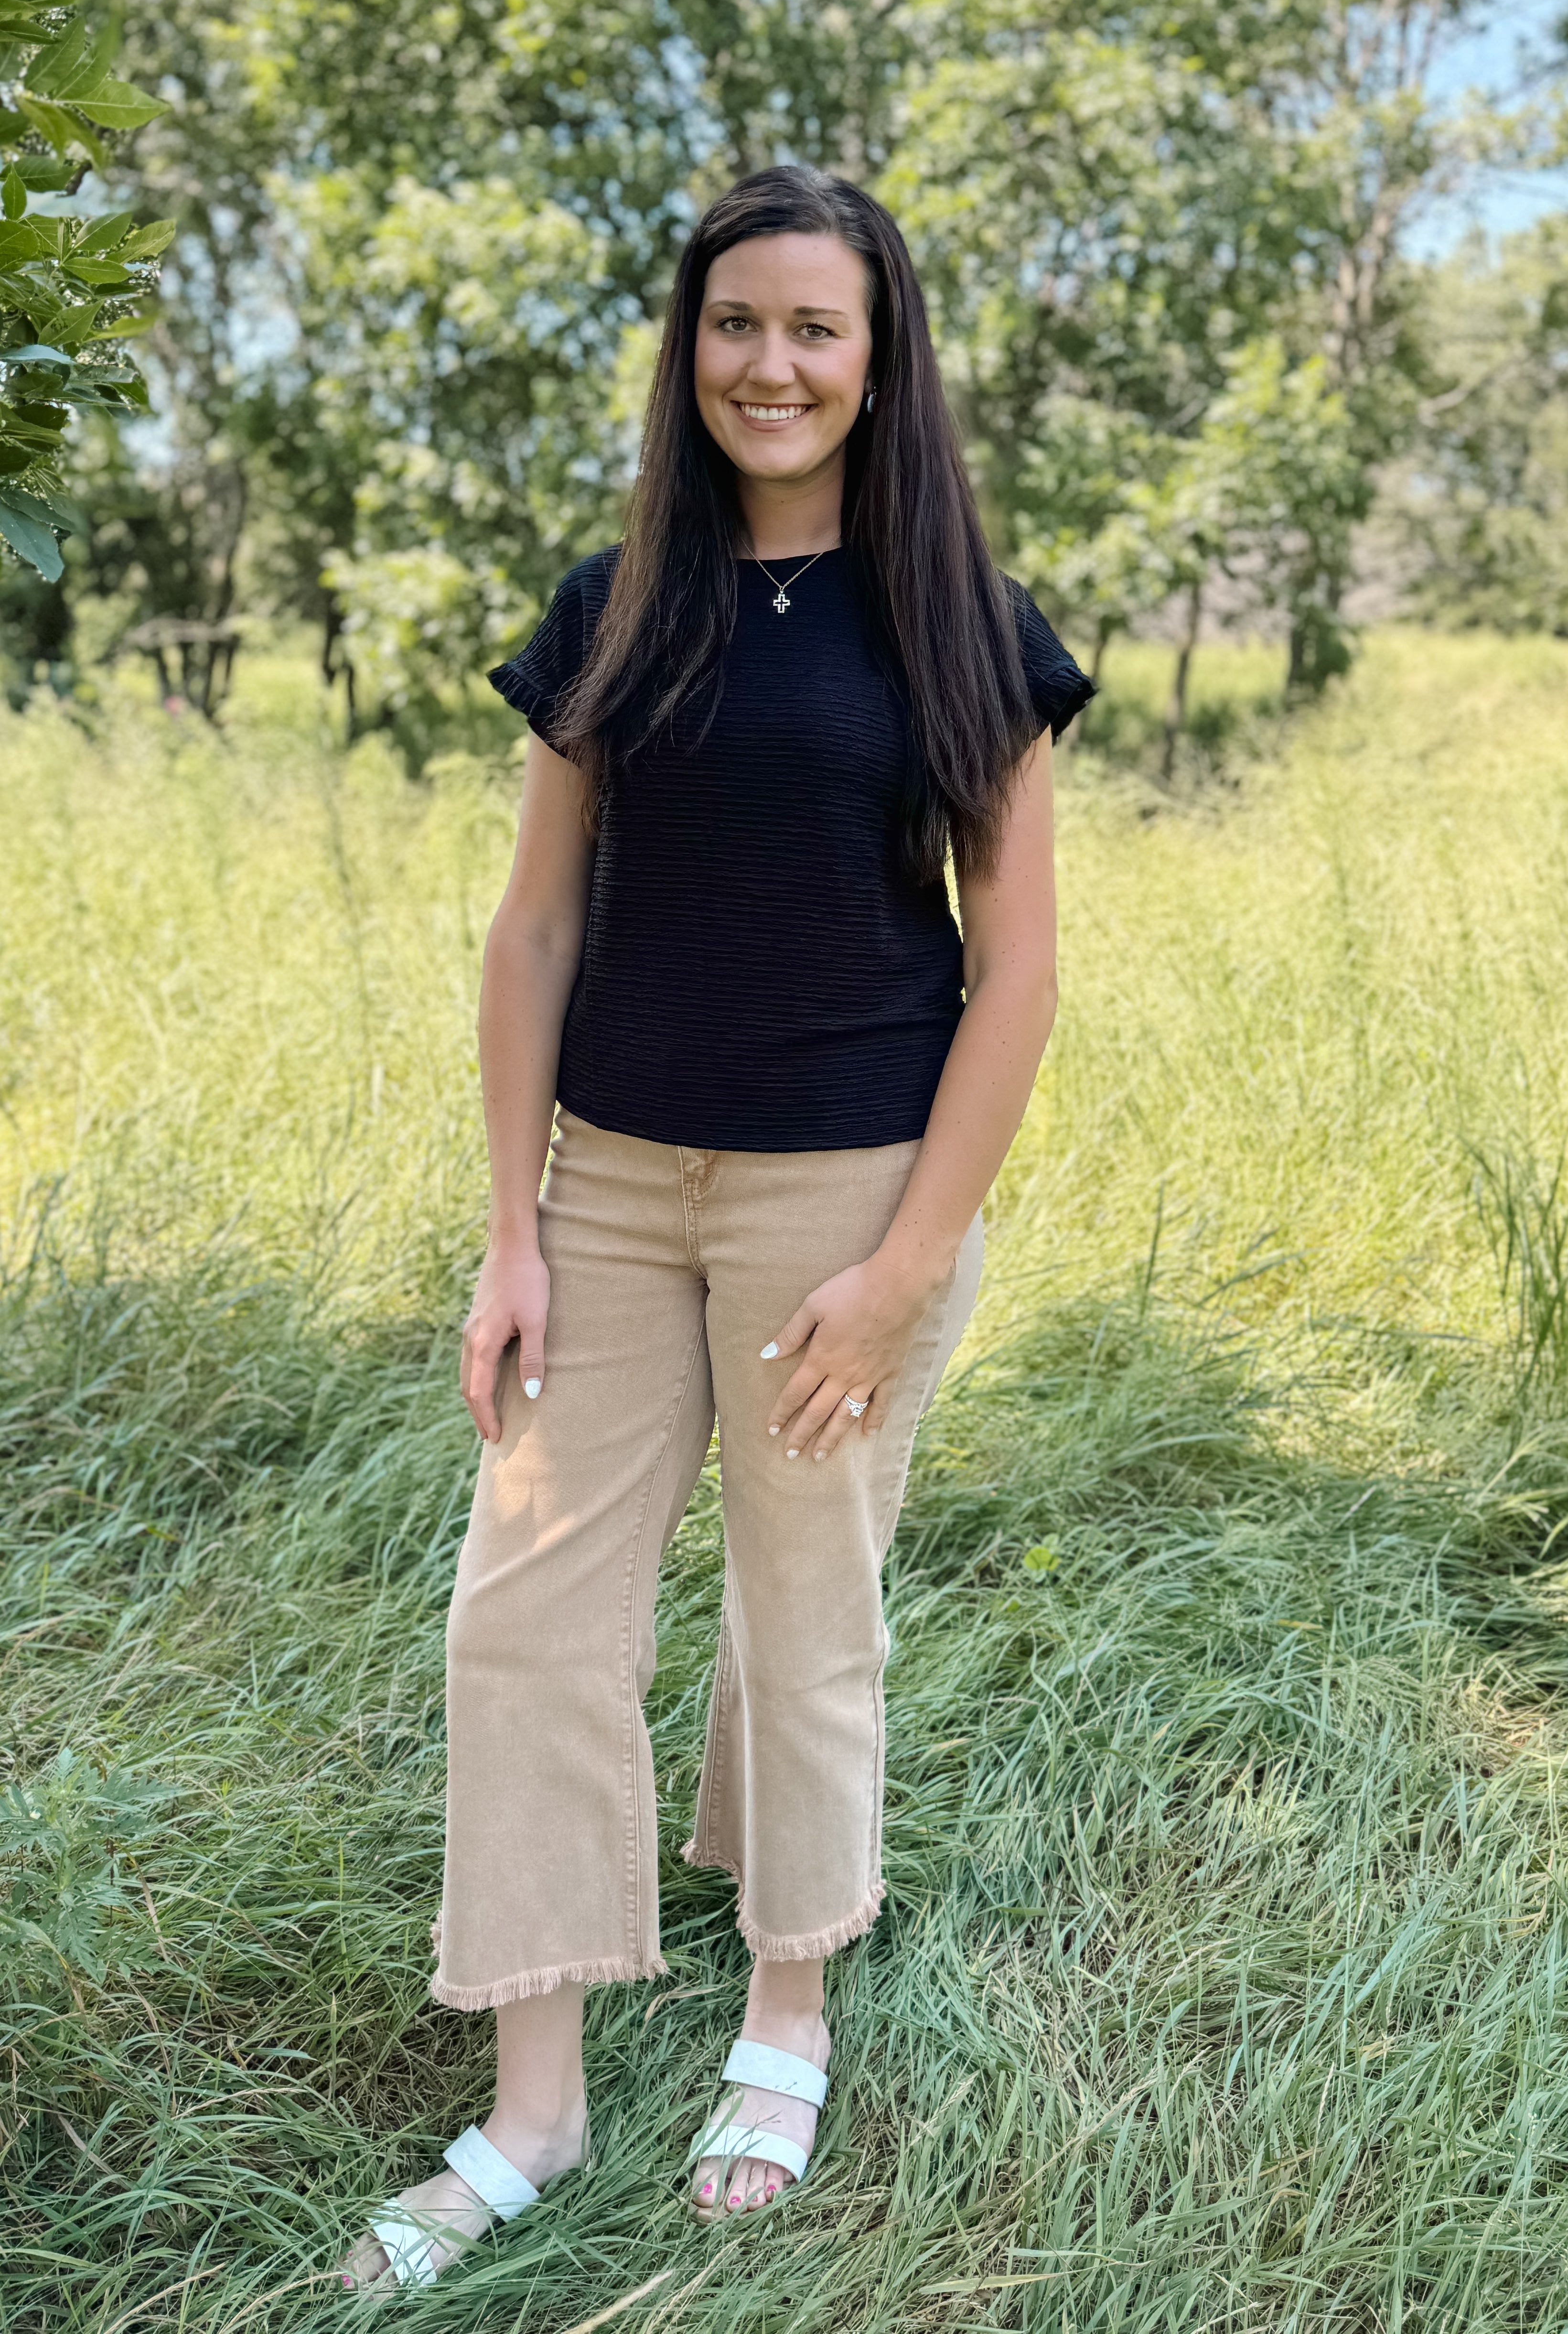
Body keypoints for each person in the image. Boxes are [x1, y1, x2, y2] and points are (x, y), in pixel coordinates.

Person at [344, 161, 1092, 2292]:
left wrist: (907, 1258)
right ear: (692, 346)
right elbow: (535, 923)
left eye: (815, 329)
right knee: (525, 1611)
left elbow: (1015, 966)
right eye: (736, 322)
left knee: (799, 1605)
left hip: (840, 1197)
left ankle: (785, 2010)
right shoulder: (620, 602)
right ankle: (537, 2100)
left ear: (876, 362)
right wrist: (510, 1230)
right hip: (602, 1182)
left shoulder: (955, 621)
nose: (771, 362)